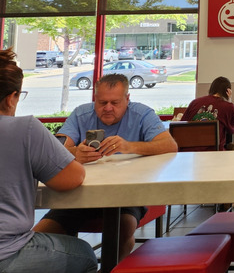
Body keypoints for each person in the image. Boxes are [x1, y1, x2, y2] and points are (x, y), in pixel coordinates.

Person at [33, 73, 178, 261]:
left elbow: (170, 146)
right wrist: (75, 152)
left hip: (128, 195)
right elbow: (57, 149)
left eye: (115, 103)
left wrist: (129, 146)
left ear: (127, 99)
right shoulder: (81, 114)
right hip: (78, 196)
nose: (108, 108)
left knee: (123, 229)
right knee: (39, 236)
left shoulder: (142, 114)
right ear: (95, 99)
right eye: (102, 103)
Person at [0, 49, 98, 273]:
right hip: (6, 252)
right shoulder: (24, 129)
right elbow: (72, 179)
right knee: (85, 255)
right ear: (10, 98)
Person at [181, 76, 234, 151]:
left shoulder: (195, 102)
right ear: (228, 91)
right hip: (213, 151)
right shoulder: (228, 106)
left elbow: (182, 124)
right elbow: (232, 129)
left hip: (188, 151)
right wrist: (229, 101)